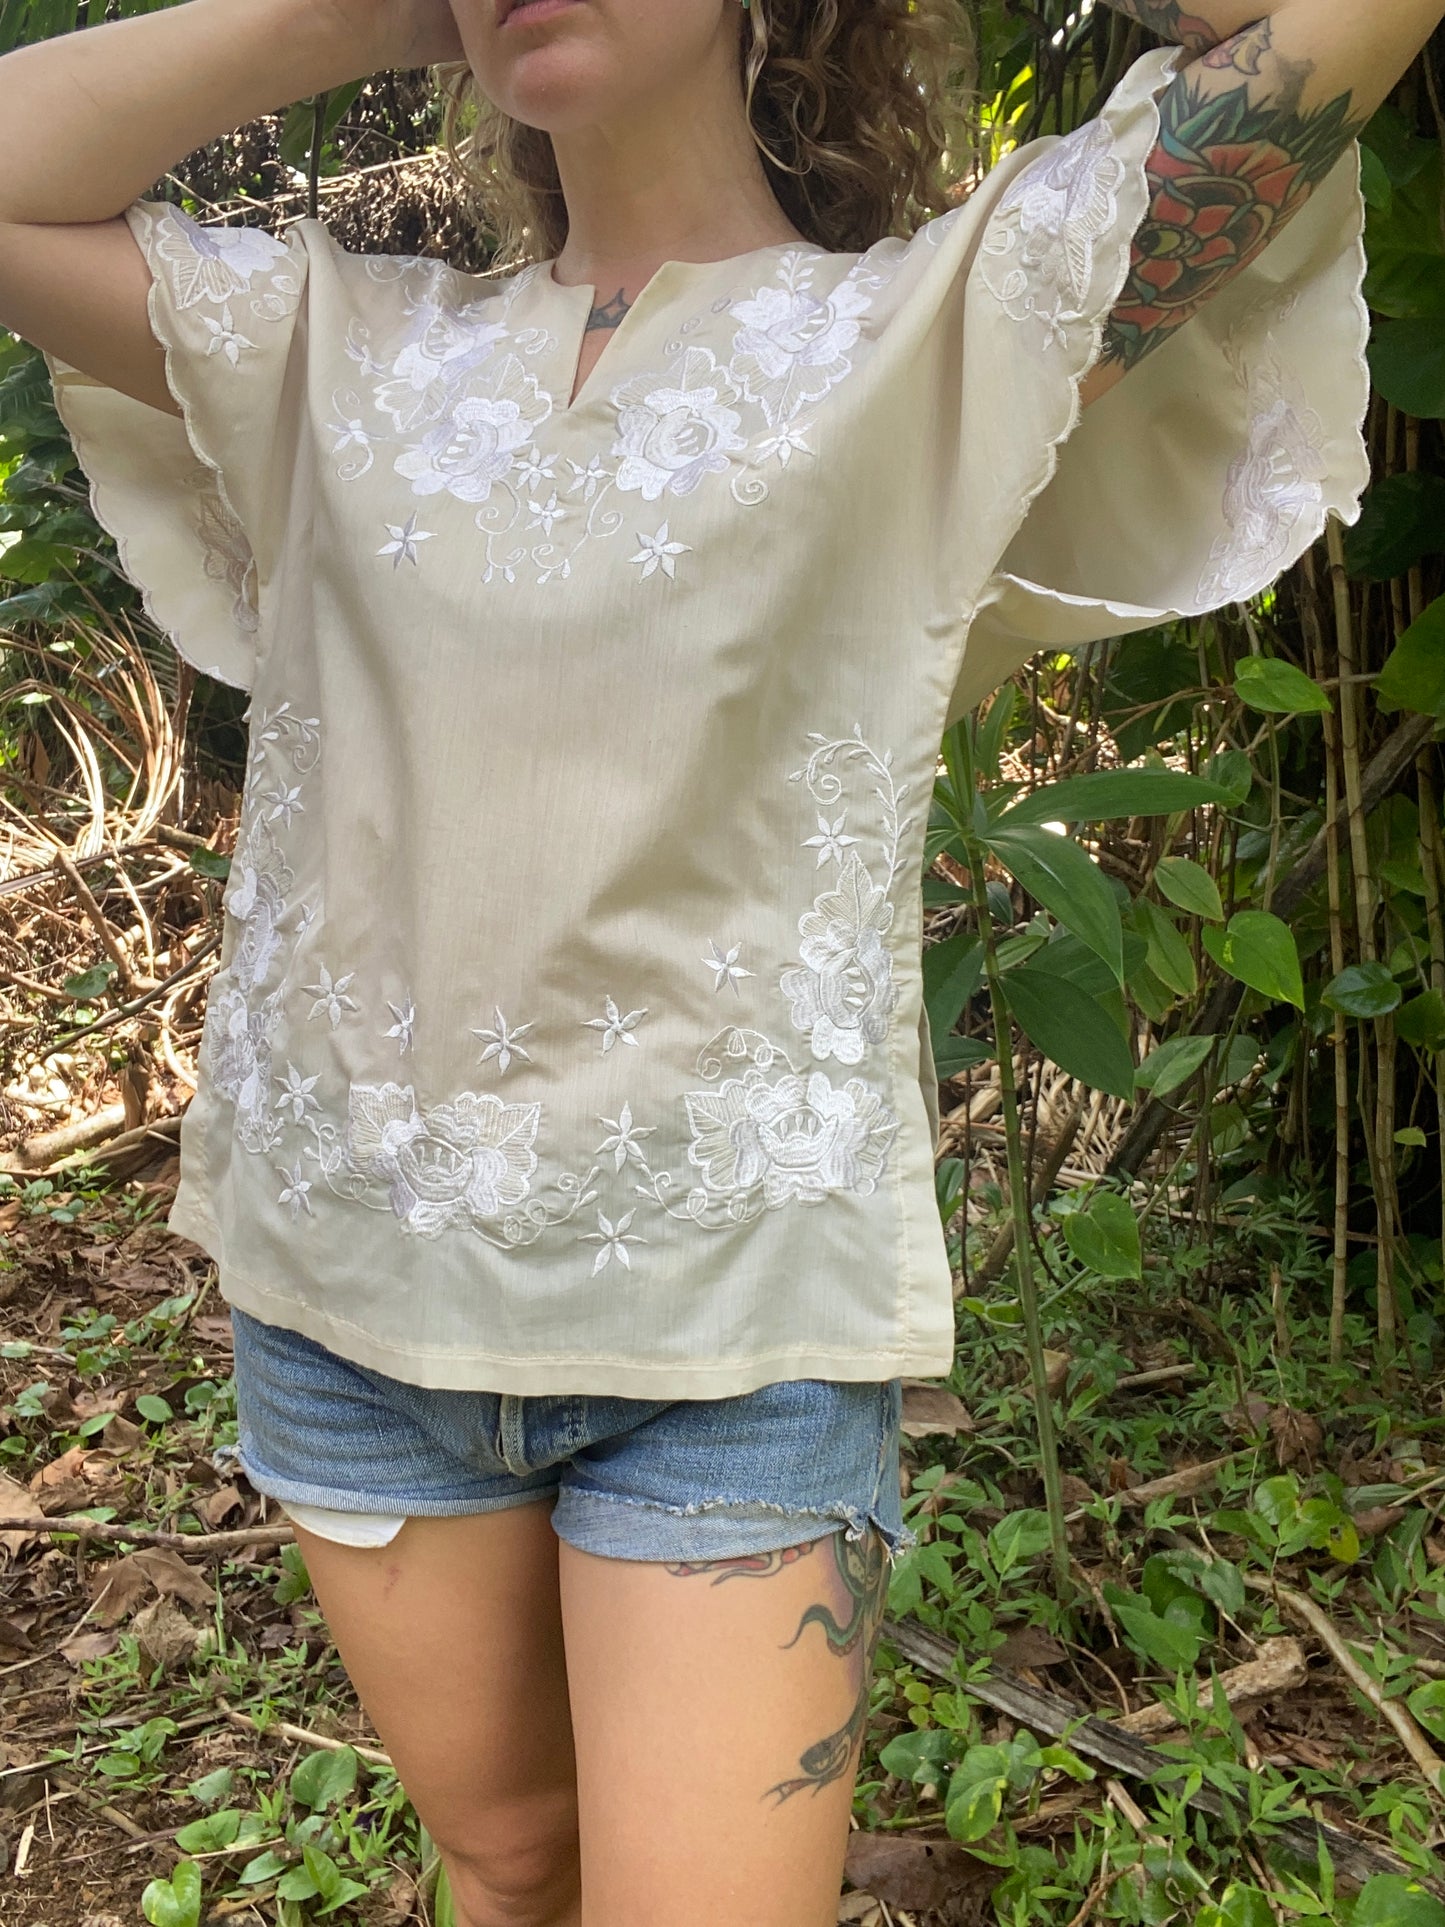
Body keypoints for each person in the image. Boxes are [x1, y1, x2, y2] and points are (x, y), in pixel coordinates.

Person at [0, 0, 1439, 1920]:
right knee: (508, 1866)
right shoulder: (327, 349)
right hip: (354, 1295)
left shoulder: (941, 331)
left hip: (734, 1324)